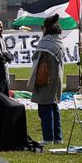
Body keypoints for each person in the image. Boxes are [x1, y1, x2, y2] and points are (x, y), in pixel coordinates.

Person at [28, 14, 65, 144]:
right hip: (56, 78)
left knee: (45, 108)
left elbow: (35, 57)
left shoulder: (45, 41)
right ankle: (58, 137)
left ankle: (48, 138)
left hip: (45, 79)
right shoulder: (58, 40)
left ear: (46, 29)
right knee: (54, 107)